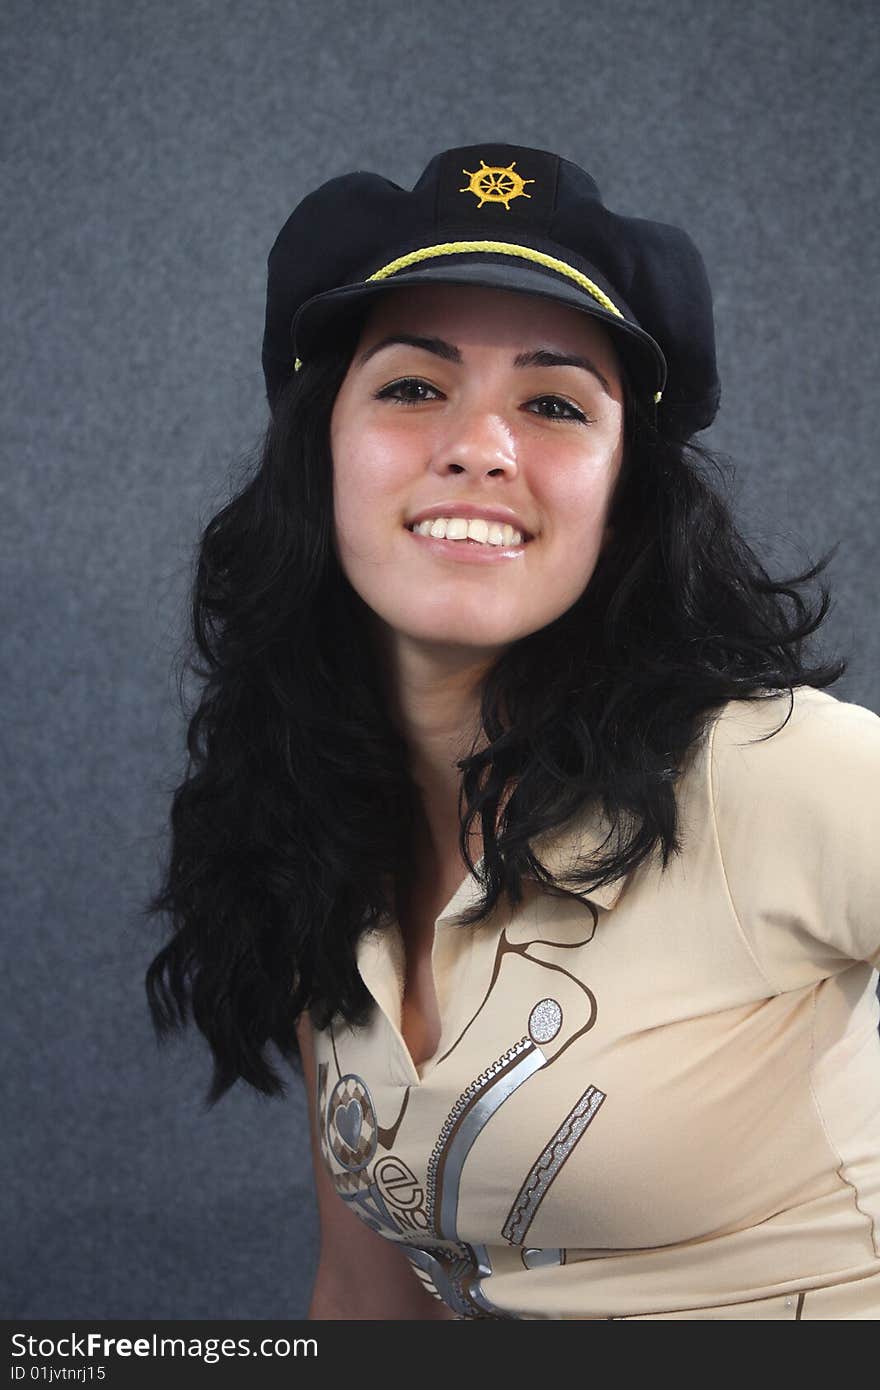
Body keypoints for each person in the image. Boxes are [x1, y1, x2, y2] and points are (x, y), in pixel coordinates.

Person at [145, 143, 880, 1319]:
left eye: (551, 404)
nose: (480, 444)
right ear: (318, 449)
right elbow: (365, 1297)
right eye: (411, 387)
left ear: (622, 492)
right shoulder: (318, 843)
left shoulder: (770, 773)